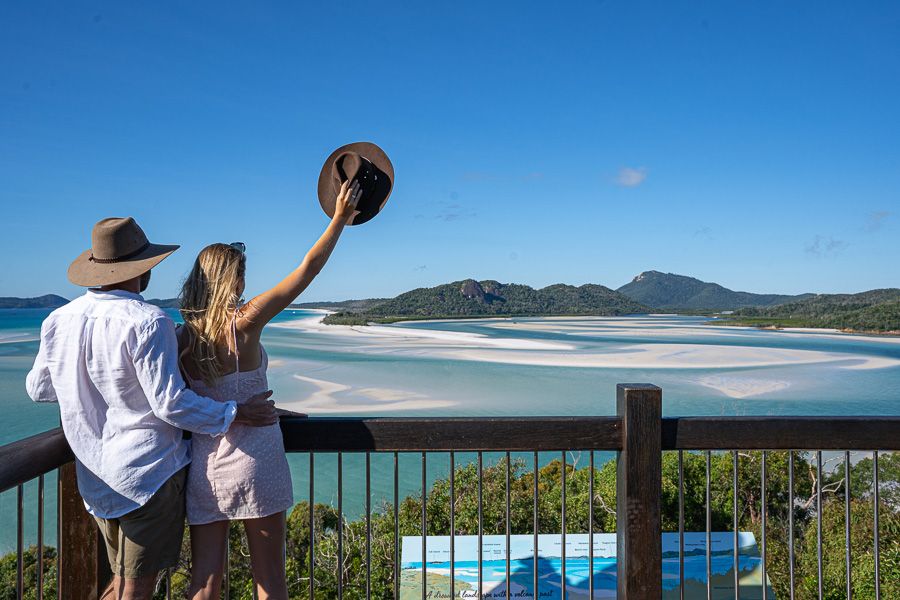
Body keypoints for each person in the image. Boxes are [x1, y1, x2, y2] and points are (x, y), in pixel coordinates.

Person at [25, 217, 279, 600]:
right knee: (137, 588)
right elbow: (170, 404)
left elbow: (40, 388)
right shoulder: (148, 321)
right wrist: (236, 412)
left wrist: (94, 388)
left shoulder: (58, 320)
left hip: (95, 478)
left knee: (118, 581)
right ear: (141, 268)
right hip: (149, 475)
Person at [180, 179, 362, 599]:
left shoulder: (181, 338)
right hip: (258, 461)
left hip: (206, 467)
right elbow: (308, 269)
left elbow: (187, 402)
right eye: (242, 274)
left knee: (204, 583)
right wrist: (338, 219)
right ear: (234, 281)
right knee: (270, 582)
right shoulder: (244, 322)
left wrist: (245, 407)